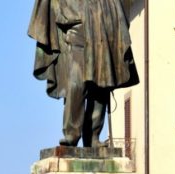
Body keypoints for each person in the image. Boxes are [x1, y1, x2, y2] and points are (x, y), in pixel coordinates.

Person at [28, 0, 139, 147]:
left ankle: (93, 136)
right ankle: (71, 134)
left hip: (103, 22)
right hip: (76, 23)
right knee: (76, 83)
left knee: (102, 82)